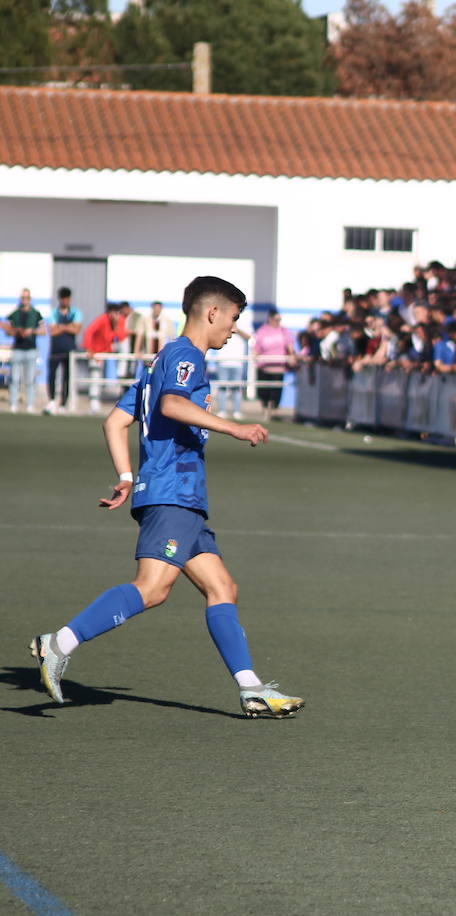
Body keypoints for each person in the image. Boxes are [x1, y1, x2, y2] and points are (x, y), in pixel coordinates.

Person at [29, 276, 304, 718]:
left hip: (183, 498)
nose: (233, 329)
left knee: (222, 588)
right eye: (233, 318)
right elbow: (173, 406)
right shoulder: (184, 357)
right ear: (212, 312)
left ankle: (251, 689)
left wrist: (125, 475)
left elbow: (115, 422)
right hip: (173, 492)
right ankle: (58, 643)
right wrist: (234, 427)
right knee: (153, 589)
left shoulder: (161, 360)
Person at [5, 287, 43, 412]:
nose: (25, 300)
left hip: (31, 349)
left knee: (30, 379)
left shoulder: (36, 314)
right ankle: (13, 404)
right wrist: (17, 331)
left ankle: (30, 404)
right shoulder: (15, 313)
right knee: (15, 379)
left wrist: (32, 331)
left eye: (27, 298)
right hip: (17, 349)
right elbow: (8, 331)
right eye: (23, 298)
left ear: (30, 299)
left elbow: (43, 331)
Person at [45, 286, 83, 413]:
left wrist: (61, 326)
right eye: (63, 298)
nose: (65, 301)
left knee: (67, 377)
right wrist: (68, 327)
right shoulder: (54, 313)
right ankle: (51, 400)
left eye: (67, 298)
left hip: (69, 350)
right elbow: (53, 331)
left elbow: (77, 329)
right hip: (55, 349)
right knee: (52, 376)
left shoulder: (76, 312)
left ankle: (63, 403)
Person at [252, 309, 296, 415]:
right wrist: (255, 357)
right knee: (264, 391)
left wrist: (292, 356)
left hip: (278, 367)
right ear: (270, 319)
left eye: (279, 320)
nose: (278, 322)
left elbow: (290, 346)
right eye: (276, 319)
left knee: (276, 392)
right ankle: (265, 409)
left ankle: (272, 411)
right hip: (265, 367)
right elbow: (256, 347)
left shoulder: (283, 331)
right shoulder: (263, 331)